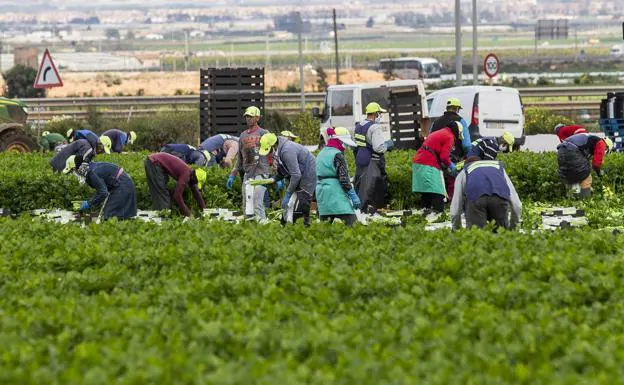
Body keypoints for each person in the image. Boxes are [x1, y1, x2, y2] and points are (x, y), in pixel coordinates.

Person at [257, 132, 316, 226]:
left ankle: (304, 226)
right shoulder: (278, 150)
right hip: (298, 174)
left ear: (273, 145)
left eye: (268, 150)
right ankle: (285, 225)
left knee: (301, 202)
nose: (268, 153)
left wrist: (288, 194)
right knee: (289, 204)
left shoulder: (287, 151)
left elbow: (296, 174)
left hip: (308, 174)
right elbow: (285, 170)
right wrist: (274, 179)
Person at [226, 106, 272, 221]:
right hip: (248, 174)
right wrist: (233, 174)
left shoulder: (264, 133)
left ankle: (264, 227)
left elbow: (272, 154)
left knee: (257, 202)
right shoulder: (242, 136)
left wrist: (276, 173)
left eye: (251, 116)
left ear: (257, 118)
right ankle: (250, 230)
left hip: (261, 172)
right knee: (246, 205)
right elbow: (240, 159)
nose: (248, 119)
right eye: (246, 116)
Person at [450, 157, 522, 230]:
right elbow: (517, 204)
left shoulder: (464, 172)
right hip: (499, 200)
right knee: (501, 236)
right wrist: (514, 228)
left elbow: (455, 208)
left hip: (475, 200)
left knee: (477, 237)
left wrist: (456, 230)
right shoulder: (499, 169)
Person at [62, 154, 137, 220]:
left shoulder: (92, 172)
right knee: (113, 216)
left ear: (77, 168)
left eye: (72, 171)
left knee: (110, 216)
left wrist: (88, 204)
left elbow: (103, 193)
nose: (73, 173)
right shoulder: (90, 168)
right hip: (121, 185)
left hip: (122, 186)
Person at [412, 121, 463, 213]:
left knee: (426, 192)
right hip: (428, 163)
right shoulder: (450, 136)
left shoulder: (441, 132)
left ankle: (424, 213)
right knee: (438, 192)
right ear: (457, 132)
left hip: (418, 160)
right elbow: (444, 156)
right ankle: (438, 213)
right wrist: (452, 166)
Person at [316, 127, 360, 226]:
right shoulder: (337, 154)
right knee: (353, 225)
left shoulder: (321, 154)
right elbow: (343, 178)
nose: (345, 147)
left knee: (324, 229)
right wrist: (353, 196)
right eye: (344, 143)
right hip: (336, 194)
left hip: (322, 193)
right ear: (339, 141)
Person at [354, 102, 393, 214]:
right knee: (371, 190)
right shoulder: (375, 127)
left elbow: (359, 143)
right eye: (379, 113)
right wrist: (388, 145)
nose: (380, 115)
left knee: (361, 188)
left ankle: (359, 212)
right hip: (372, 161)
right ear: (375, 113)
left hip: (361, 160)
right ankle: (369, 212)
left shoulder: (359, 125)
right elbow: (378, 148)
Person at [428, 98, 471, 199]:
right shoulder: (461, 121)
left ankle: (442, 200)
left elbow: (430, 139)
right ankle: (453, 202)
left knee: (440, 182)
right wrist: (467, 155)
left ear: (447, 108)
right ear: (457, 109)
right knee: (454, 182)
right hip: (454, 157)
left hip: (436, 158)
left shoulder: (436, 122)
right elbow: (467, 145)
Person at [144, 152, 207, 217]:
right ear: (193, 177)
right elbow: (177, 196)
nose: (194, 184)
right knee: (161, 192)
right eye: (195, 182)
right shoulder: (186, 175)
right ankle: (162, 218)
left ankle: (162, 213)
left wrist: (205, 211)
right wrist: (188, 214)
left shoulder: (192, 175)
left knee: (163, 189)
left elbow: (196, 192)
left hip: (156, 162)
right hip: (154, 162)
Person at [557, 133, 613, 198]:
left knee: (570, 175)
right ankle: (585, 200)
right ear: (607, 147)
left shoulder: (591, 139)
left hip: (561, 150)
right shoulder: (601, 143)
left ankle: (571, 198)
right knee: (585, 176)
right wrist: (599, 173)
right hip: (572, 150)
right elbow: (596, 164)